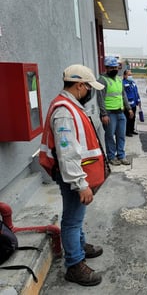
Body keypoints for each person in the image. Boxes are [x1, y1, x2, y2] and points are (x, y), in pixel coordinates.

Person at [39, 64, 106, 286]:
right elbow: (66, 153)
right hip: (72, 177)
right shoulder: (64, 112)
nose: (90, 92)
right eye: (89, 88)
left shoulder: (70, 106)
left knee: (76, 217)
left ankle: (79, 246)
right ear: (79, 85)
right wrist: (80, 184)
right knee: (71, 220)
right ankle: (74, 265)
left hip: (75, 175)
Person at [96, 56, 133, 165]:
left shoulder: (118, 79)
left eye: (115, 67)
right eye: (111, 68)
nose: (114, 69)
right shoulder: (102, 80)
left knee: (121, 135)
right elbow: (100, 99)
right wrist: (103, 114)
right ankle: (111, 157)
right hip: (109, 113)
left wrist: (129, 109)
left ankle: (121, 155)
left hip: (120, 112)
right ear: (106, 68)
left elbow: (123, 95)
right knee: (110, 136)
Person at [122, 69, 141, 137]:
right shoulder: (123, 83)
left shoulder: (133, 83)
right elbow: (123, 95)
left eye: (131, 75)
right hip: (127, 105)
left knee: (133, 117)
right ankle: (127, 131)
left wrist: (138, 100)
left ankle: (132, 130)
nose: (131, 76)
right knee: (127, 118)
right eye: (129, 75)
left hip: (133, 103)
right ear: (124, 76)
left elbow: (136, 92)